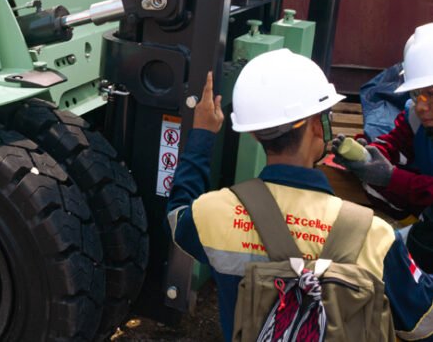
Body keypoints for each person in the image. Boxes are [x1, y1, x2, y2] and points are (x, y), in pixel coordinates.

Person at [166, 49, 433, 341]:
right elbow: (421, 325)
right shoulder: (375, 236)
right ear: (319, 125)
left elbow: (178, 217)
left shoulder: (213, 214)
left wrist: (203, 135)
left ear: (254, 134)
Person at [337, 23, 433, 215]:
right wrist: (368, 155)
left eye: (431, 94)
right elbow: (395, 144)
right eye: (416, 94)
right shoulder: (415, 117)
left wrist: (391, 177)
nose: (421, 106)